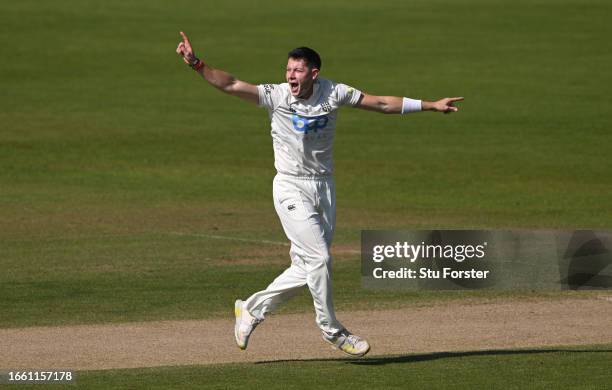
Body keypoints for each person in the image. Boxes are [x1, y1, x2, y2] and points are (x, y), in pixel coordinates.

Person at [176, 31, 463, 357]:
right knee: (320, 259)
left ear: (314, 73)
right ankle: (333, 331)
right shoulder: (277, 95)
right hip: (289, 185)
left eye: (297, 71)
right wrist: (196, 64)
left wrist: (430, 105)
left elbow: (381, 103)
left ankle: (252, 309)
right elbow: (232, 84)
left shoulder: (333, 92)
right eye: (288, 70)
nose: (290, 76)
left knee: (308, 267)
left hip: (324, 187)